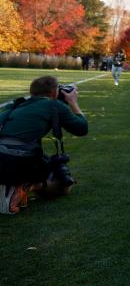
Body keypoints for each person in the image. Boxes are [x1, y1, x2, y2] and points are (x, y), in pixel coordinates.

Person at [0, 76, 88, 213]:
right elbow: (82, 129)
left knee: (42, 158)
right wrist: (73, 102)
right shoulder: (55, 105)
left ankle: (8, 183)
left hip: (2, 155)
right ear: (54, 92)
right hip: (20, 158)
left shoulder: (17, 104)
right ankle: (26, 187)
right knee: (63, 181)